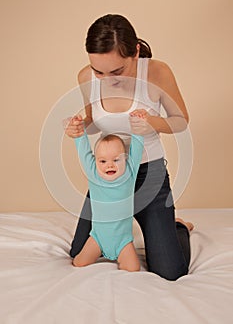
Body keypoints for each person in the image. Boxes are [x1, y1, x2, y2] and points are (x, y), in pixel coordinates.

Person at [66, 14, 194, 281]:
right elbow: (92, 122)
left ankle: (176, 227)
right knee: (78, 251)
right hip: (108, 179)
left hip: (149, 176)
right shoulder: (85, 77)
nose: (106, 79)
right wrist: (79, 125)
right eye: (98, 71)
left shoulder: (158, 72)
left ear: (135, 52)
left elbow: (181, 120)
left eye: (116, 71)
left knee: (170, 271)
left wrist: (153, 124)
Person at [72, 116, 144, 271]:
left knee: (133, 268)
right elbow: (83, 150)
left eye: (116, 160)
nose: (109, 165)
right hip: (97, 238)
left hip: (123, 241)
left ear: (125, 159)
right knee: (79, 263)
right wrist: (79, 130)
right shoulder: (93, 173)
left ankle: (180, 225)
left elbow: (137, 147)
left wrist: (138, 127)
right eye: (103, 161)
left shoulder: (130, 173)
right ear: (95, 161)